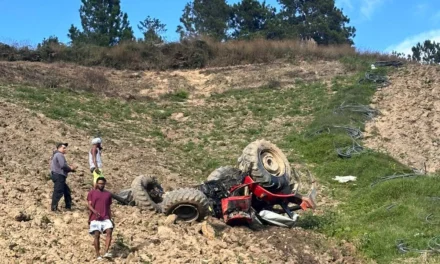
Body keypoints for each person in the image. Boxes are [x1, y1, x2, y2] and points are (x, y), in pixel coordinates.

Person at [87, 177, 113, 260]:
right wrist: (94, 212)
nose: (101, 185)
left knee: (109, 231)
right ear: (97, 184)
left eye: (102, 183)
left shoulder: (108, 194)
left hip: (105, 217)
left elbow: (108, 207)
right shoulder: (92, 193)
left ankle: (106, 252)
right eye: (99, 183)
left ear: (105, 184)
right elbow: (89, 205)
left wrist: (111, 218)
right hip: (95, 218)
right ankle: (98, 254)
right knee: (97, 235)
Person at [50, 142, 77, 212]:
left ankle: (68, 206)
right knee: (58, 191)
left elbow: (61, 167)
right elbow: (63, 166)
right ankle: (54, 208)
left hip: (58, 175)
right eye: (63, 148)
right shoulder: (59, 155)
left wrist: (70, 169)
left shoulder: (56, 155)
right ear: (59, 148)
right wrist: (71, 168)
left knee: (66, 191)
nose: (65, 149)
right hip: (59, 176)